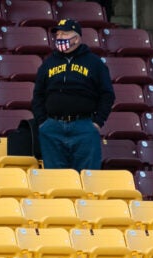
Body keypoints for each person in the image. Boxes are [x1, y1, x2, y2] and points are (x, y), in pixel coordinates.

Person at [32, 19, 115, 171]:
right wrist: (42, 122)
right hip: (52, 127)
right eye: (58, 34)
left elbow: (107, 94)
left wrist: (97, 122)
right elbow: (38, 94)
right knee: (55, 179)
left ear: (76, 38)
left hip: (83, 126)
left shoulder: (95, 63)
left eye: (64, 33)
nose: (59, 37)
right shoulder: (48, 63)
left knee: (87, 176)